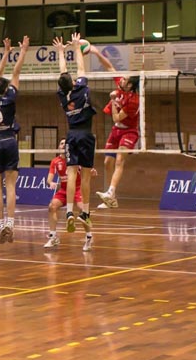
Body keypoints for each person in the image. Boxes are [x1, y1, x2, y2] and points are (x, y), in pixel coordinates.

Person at [0, 36, 30, 244]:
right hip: (10, 142)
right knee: (11, 185)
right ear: (6, 89)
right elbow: (16, 72)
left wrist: (5, 53)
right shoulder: (10, 97)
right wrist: (23, 51)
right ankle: (10, 224)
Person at [54, 32, 95, 234]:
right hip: (85, 134)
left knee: (71, 174)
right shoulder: (81, 89)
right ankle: (85, 213)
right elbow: (81, 67)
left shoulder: (63, 95)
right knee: (85, 176)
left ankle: (69, 211)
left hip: (71, 135)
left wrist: (61, 52)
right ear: (72, 81)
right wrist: (77, 48)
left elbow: (63, 74)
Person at [91, 47, 140, 209]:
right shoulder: (120, 85)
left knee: (119, 160)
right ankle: (110, 197)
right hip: (116, 131)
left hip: (129, 132)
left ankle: (111, 192)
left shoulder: (134, 101)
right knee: (107, 162)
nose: (122, 79)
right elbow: (109, 67)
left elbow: (116, 117)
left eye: (125, 79)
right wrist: (96, 53)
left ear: (130, 85)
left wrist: (112, 101)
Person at [45, 138, 95, 251]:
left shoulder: (75, 160)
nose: (63, 145)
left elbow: (87, 172)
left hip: (77, 189)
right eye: (61, 143)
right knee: (52, 207)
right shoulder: (55, 161)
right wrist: (50, 183)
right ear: (59, 147)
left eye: (65, 143)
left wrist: (91, 172)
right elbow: (49, 179)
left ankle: (89, 237)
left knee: (83, 210)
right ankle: (53, 237)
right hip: (63, 190)